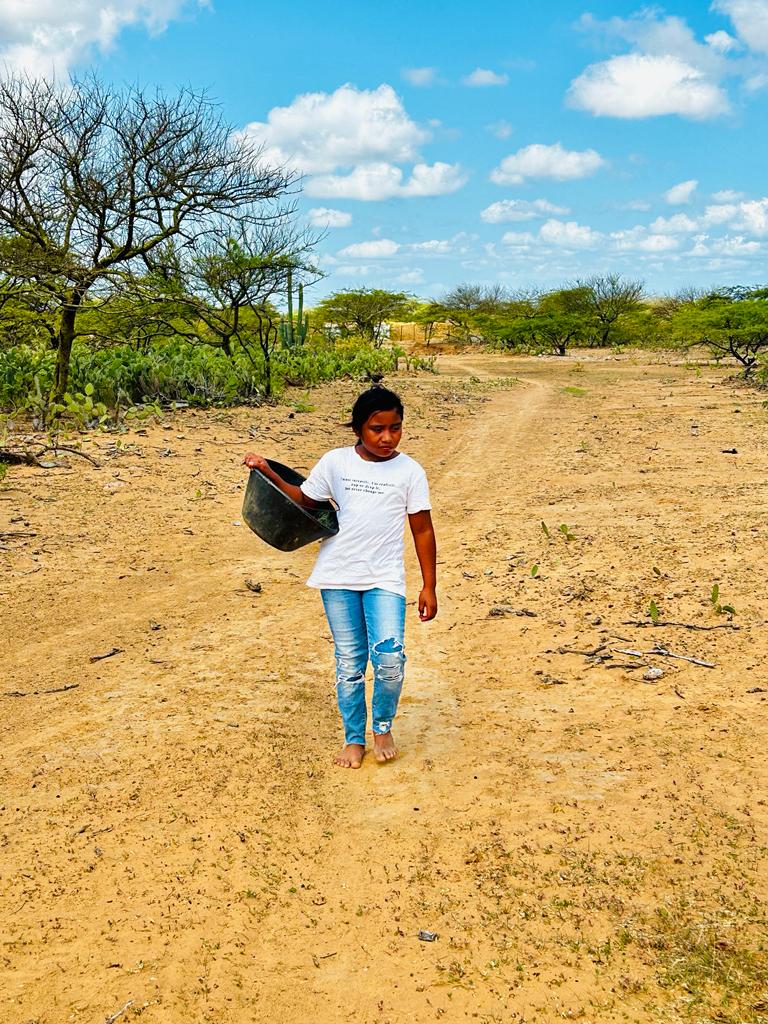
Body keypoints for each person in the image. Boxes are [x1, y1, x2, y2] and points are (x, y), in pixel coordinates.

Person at [243, 385, 437, 769]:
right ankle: (354, 738)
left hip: (385, 579)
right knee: (350, 661)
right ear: (358, 429)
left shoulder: (410, 472)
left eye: (395, 428)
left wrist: (429, 585)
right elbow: (304, 499)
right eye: (376, 428)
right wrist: (267, 470)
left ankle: (382, 727)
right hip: (337, 576)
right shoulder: (335, 463)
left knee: (390, 658)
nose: (386, 437)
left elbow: (423, 530)